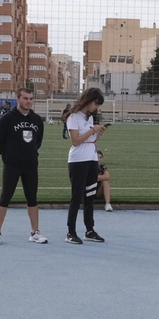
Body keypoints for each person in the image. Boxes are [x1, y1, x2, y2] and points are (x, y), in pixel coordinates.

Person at [0, 86, 47, 246]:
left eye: (31, 99)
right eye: (25, 98)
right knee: (5, 197)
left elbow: (38, 141)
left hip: (30, 165)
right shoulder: (7, 119)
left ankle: (35, 232)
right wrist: (8, 156)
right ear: (18, 99)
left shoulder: (36, 119)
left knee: (32, 198)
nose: (28, 102)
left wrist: (29, 154)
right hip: (12, 165)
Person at [62, 87, 107, 244]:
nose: (97, 107)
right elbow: (75, 141)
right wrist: (91, 131)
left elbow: (89, 140)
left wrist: (97, 133)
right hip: (78, 161)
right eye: (96, 103)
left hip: (91, 159)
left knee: (90, 196)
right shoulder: (73, 117)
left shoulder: (89, 118)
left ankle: (89, 230)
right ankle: (71, 232)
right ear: (88, 101)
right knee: (77, 197)